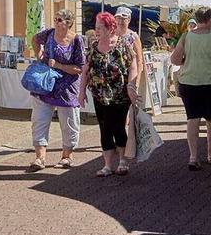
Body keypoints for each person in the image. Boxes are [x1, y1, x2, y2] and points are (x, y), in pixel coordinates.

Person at [170, 6, 211, 170]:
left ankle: (193, 156)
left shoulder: (186, 36)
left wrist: (187, 61)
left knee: (193, 119)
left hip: (189, 82)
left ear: (196, 20)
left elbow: (175, 59)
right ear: (210, 19)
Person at [83, 12, 140, 177]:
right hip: (99, 94)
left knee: (117, 126)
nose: (97, 30)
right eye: (96, 27)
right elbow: (86, 70)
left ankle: (122, 161)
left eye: (100, 27)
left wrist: (131, 86)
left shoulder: (123, 45)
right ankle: (107, 165)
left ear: (110, 28)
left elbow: (133, 65)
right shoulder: (94, 46)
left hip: (119, 94)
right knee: (104, 127)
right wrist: (81, 93)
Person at [29, 9, 87, 171]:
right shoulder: (48, 33)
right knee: (39, 120)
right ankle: (40, 157)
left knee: (69, 122)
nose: (56, 22)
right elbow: (34, 39)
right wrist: (39, 55)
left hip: (67, 88)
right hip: (46, 84)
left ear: (69, 23)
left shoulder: (77, 40)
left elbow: (80, 68)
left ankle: (67, 156)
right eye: (55, 19)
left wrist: (59, 66)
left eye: (60, 20)